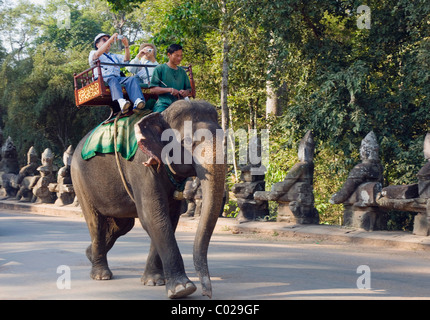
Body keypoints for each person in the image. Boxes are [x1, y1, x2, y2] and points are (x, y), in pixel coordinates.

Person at [89, 33, 145, 114]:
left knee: (131, 79)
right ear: (97, 44)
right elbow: (96, 55)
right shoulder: (93, 52)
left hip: (117, 78)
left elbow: (126, 59)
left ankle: (137, 100)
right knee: (112, 79)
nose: (108, 42)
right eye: (104, 40)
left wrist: (126, 45)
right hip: (103, 78)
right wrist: (110, 40)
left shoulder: (113, 56)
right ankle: (121, 101)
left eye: (109, 41)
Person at [149, 44, 192, 113]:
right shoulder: (159, 69)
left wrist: (185, 92)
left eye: (181, 55)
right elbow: (153, 89)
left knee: (189, 121)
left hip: (180, 105)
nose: (179, 58)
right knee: (159, 119)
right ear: (169, 55)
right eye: (177, 55)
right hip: (164, 104)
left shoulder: (182, 72)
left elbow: (188, 90)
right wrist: (169, 90)